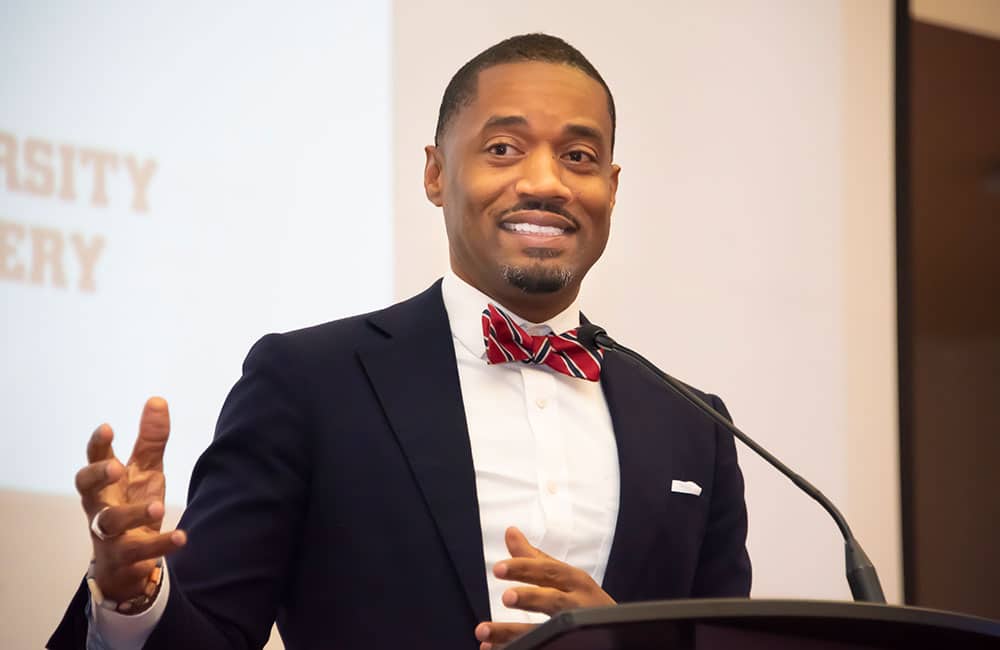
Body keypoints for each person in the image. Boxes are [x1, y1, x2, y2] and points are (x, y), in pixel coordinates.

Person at [49, 33, 750, 650]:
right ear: (436, 173)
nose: (545, 182)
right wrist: (131, 595)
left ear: (612, 187)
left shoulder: (696, 428)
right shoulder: (310, 384)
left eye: (578, 155)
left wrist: (618, 645)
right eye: (503, 149)